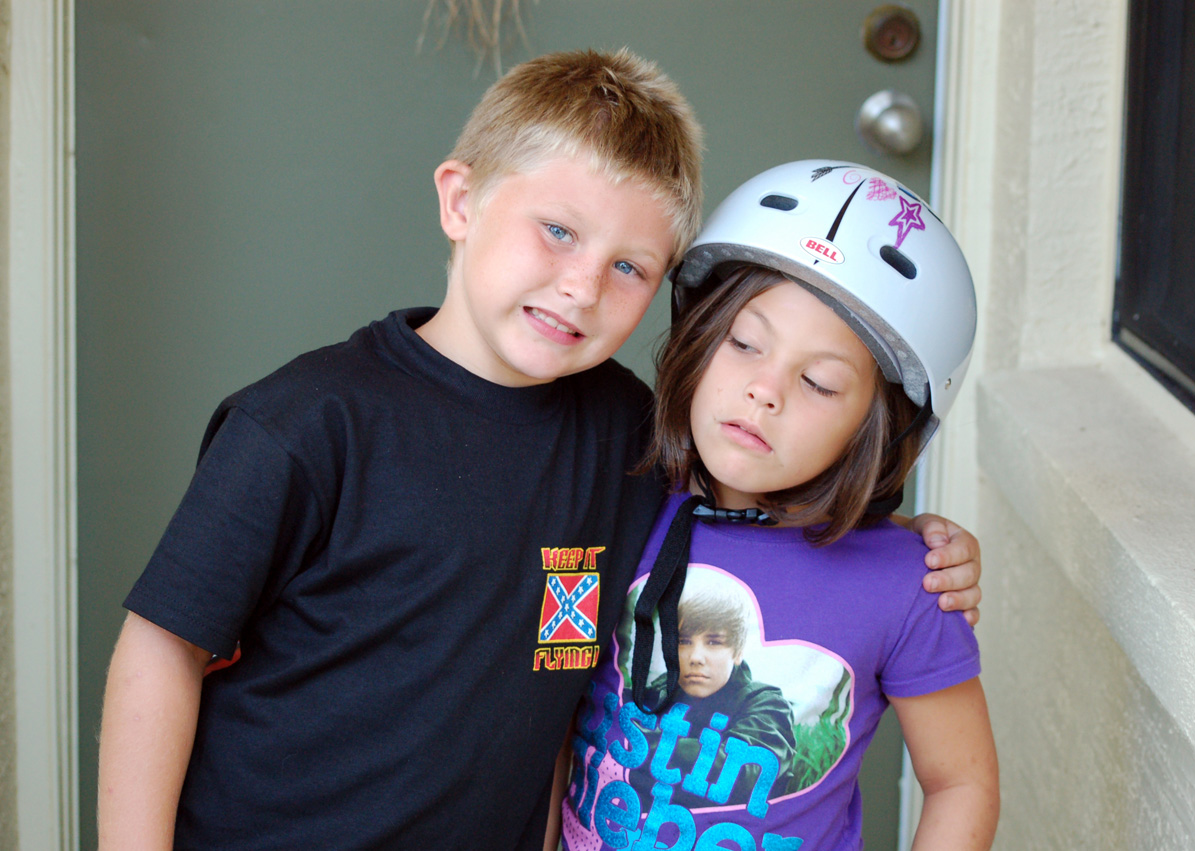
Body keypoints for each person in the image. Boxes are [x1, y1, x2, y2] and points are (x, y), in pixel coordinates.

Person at [96, 48, 983, 851]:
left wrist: (920, 539)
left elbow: (766, 485)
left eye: (631, 267)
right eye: (558, 231)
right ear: (461, 199)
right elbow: (162, 647)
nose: (582, 285)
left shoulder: (628, 437)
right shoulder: (306, 425)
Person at [560, 161, 999, 851]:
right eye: (743, 343)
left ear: (878, 429)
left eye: (820, 382)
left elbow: (960, 782)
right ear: (700, 341)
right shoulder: (618, 497)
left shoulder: (908, 583)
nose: (765, 390)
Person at [623, 570, 796, 812]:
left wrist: (638, 740)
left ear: (737, 652)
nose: (695, 657)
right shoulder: (664, 688)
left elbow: (741, 774)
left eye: (714, 642)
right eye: (683, 641)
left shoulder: (768, 704)